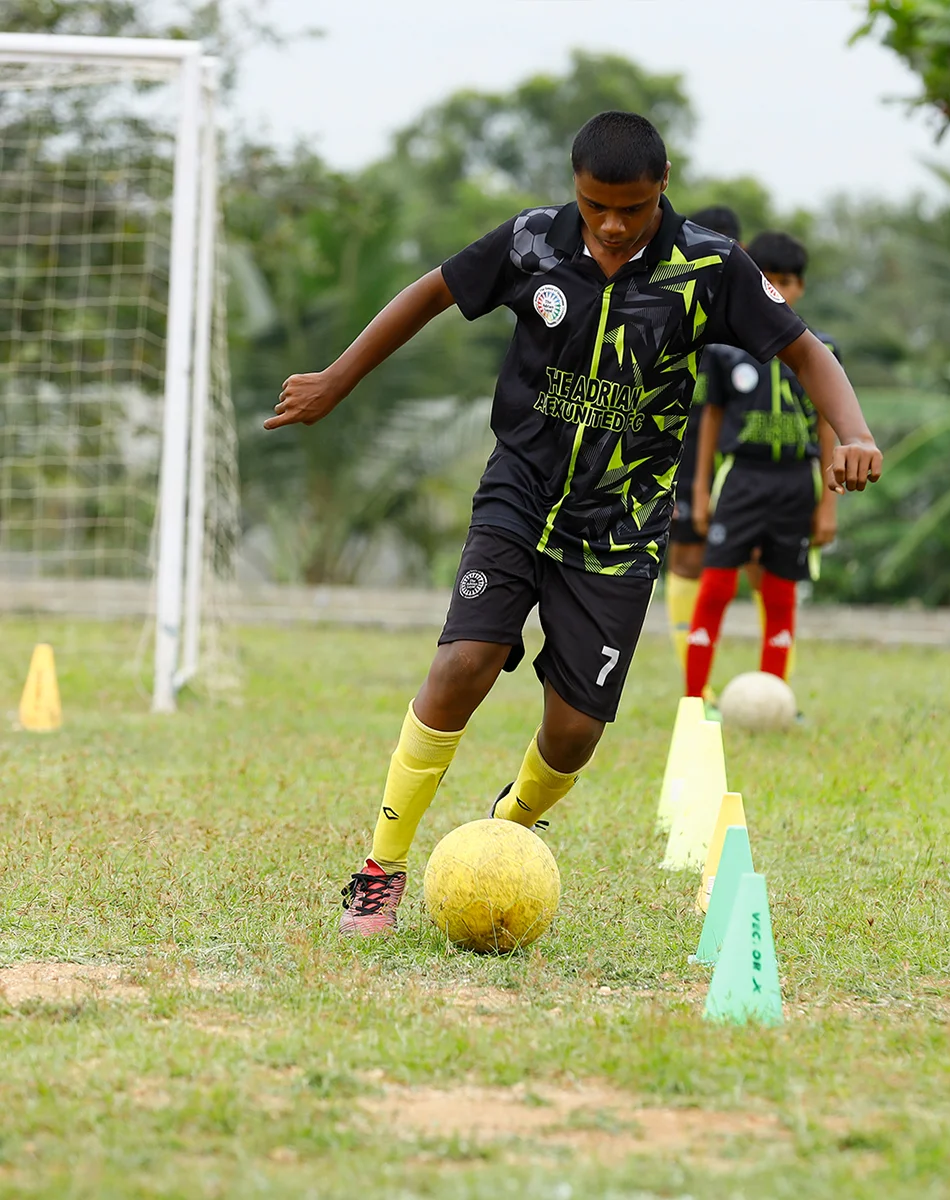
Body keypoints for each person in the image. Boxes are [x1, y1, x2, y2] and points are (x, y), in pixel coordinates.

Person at [267, 112, 882, 937]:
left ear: (663, 186)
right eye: (596, 206)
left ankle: (507, 830)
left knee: (574, 731)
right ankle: (380, 869)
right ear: (575, 187)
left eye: (632, 207)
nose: (613, 225)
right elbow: (433, 291)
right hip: (519, 492)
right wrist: (339, 378)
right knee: (462, 663)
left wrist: (855, 432)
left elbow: (806, 351)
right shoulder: (533, 242)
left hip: (621, 523)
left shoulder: (710, 266)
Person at [685, 231, 839, 699]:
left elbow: (828, 427)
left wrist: (828, 505)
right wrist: (700, 491)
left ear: (801, 287)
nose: (779, 290)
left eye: (788, 282)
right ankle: (694, 698)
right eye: (768, 280)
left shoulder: (821, 351)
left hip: (796, 482)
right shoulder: (725, 349)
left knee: (780, 594)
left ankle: (775, 697)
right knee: (716, 588)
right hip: (742, 479)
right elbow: (710, 421)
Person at [664, 205, 743, 682]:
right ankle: (694, 683)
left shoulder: (747, 315)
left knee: (758, 567)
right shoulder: (667, 298)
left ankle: (773, 677)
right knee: (687, 558)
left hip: (741, 465)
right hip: (678, 452)